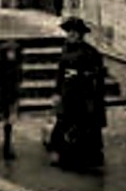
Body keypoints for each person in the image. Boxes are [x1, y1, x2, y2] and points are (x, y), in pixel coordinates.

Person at [45, 16, 108, 172]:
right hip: (67, 94)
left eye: (74, 32)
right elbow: (60, 73)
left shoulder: (90, 52)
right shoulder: (66, 49)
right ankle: (64, 157)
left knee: (82, 127)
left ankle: (84, 159)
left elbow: (96, 75)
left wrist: (82, 77)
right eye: (69, 32)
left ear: (81, 34)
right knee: (64, 124)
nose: (71, 35)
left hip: (83, 96)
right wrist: (57, 92)